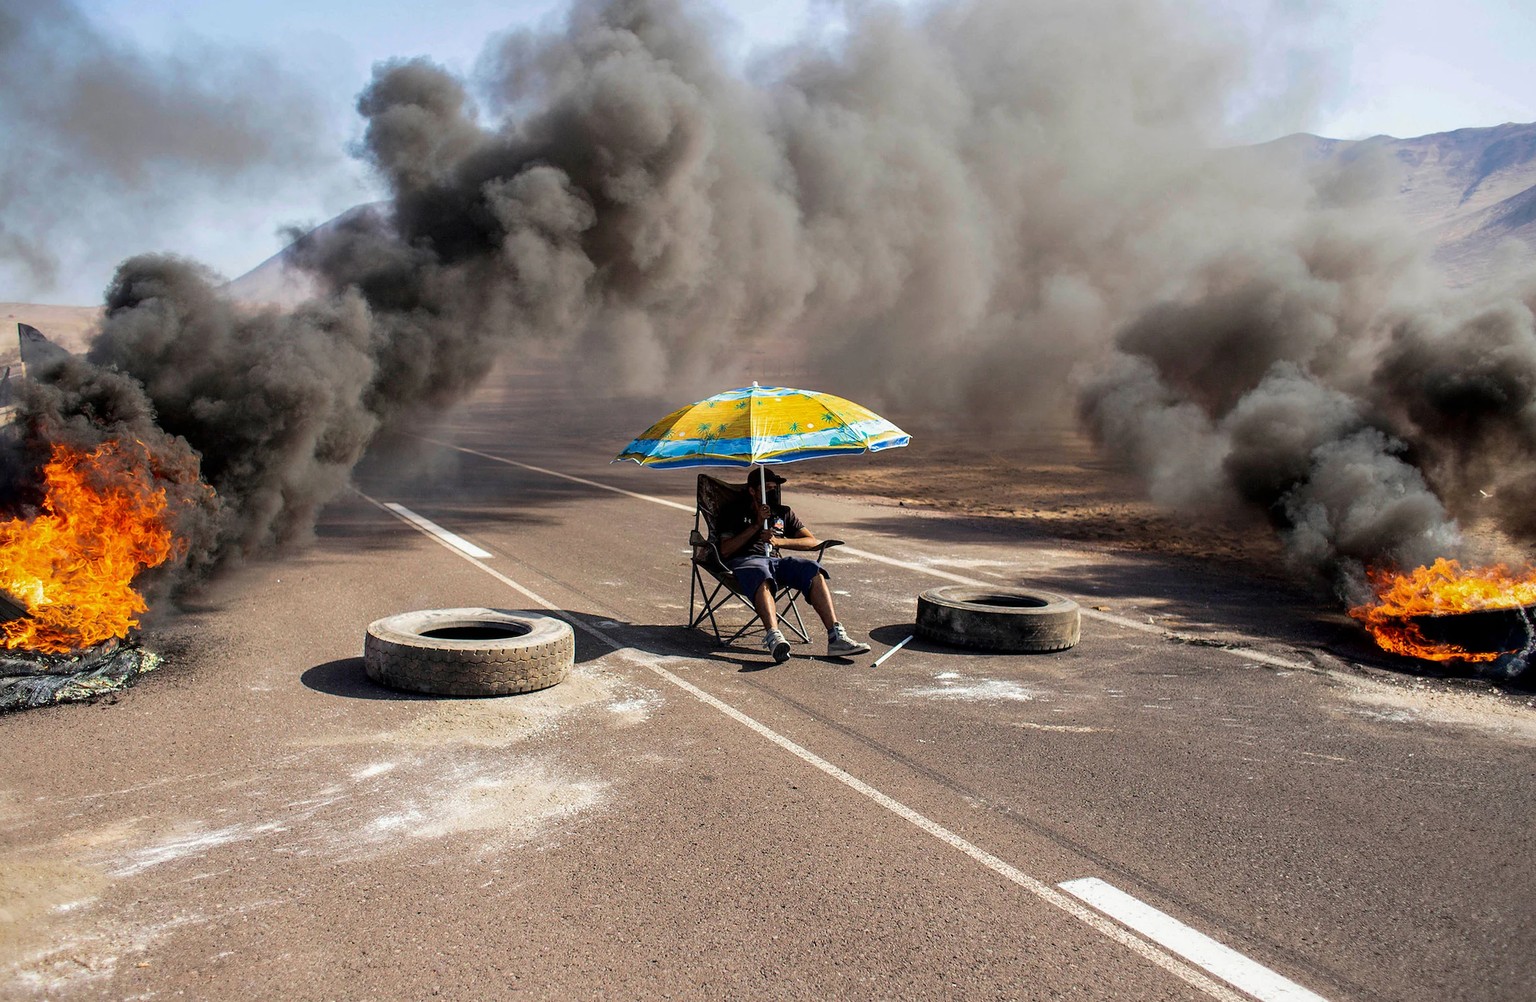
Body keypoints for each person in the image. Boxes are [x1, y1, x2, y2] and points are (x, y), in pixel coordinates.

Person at [714, 468, 872, 663]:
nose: (772, 492)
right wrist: (756, 525)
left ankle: (836, 637)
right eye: (767, 488)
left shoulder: (782, 512)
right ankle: (774, 636)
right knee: (761, 572)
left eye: (774, 488)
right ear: (753, 491)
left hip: (776, 560)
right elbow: (725, 550)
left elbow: (811, 541)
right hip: (745, 562)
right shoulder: (734, 511)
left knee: (812, 569)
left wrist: (780, 542)